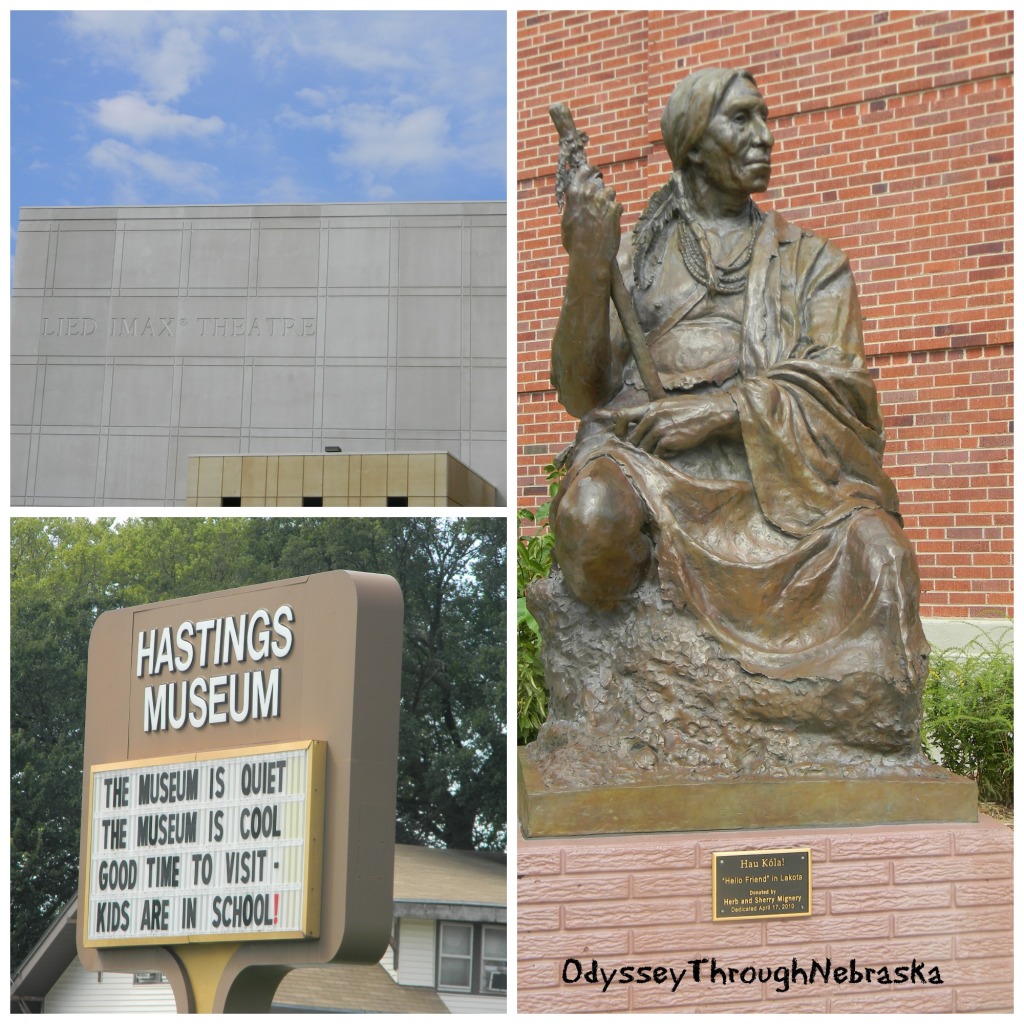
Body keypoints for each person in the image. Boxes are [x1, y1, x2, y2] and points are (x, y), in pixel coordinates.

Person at [548, 68, 928, 687]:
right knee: (594, 525)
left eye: (766, 118)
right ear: (692, 142)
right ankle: (640, 689)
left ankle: (832, 725)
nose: (766, 137)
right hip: (646, 454)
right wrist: (589, 266)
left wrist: (722, 411)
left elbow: (842, 385)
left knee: (882, 554)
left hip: (779, 470)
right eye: (742, 119)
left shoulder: (812, 262)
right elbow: (581, 392)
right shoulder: (634, 257)